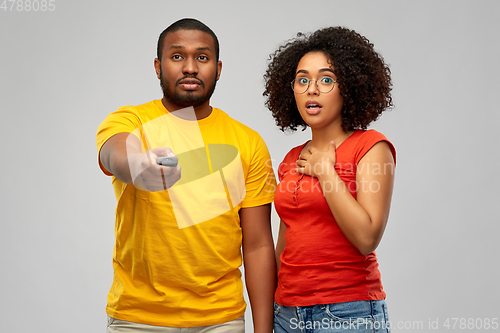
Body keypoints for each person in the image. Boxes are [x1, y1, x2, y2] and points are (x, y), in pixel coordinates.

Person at [96, 18, 276, 333]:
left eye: (202, 57)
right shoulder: (131, 120)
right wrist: (139, 166)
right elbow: (115, 153)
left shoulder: (248, 142)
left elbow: (258, 244)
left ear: (218, 68)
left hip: (221, 320)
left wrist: (264, 330)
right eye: (177, 56)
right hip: (137, 319)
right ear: (158, 65)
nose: (190, 67)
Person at [263, 27, 396, 333]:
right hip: (286, 314)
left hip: (347, 313)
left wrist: (326, 173)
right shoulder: (291, 158)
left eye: (326, 79)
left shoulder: (371, 147)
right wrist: (270, 308)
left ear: (348, 86)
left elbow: (367, 238)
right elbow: (284, 243)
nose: (312, 89)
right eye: (302, 80)